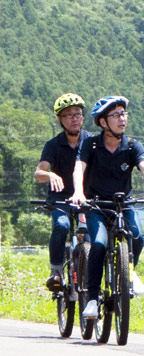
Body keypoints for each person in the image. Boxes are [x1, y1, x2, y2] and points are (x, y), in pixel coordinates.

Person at [71, 96, 144, 319]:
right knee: (99, 244)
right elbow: (78, 169)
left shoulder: (132, 145)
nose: (122, 119)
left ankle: (129, 272)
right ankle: (91, 299)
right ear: (103, 122)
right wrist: (79, 193)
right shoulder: (90, 144)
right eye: (116, 115)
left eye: (124, 114)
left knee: (137, 236)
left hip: (123, 204)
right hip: (96, 205)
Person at [35, 93, 92, 291]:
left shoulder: (92, 142)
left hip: (86, 196)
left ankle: (93, 274)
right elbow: (38, 173)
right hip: (60, 198)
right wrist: (50, 175)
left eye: (78, 114)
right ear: (60, 119)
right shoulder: (53, 145)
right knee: (61, 225)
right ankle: (56, 270)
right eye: (68, 115)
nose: (74, 118)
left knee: (92, 233)